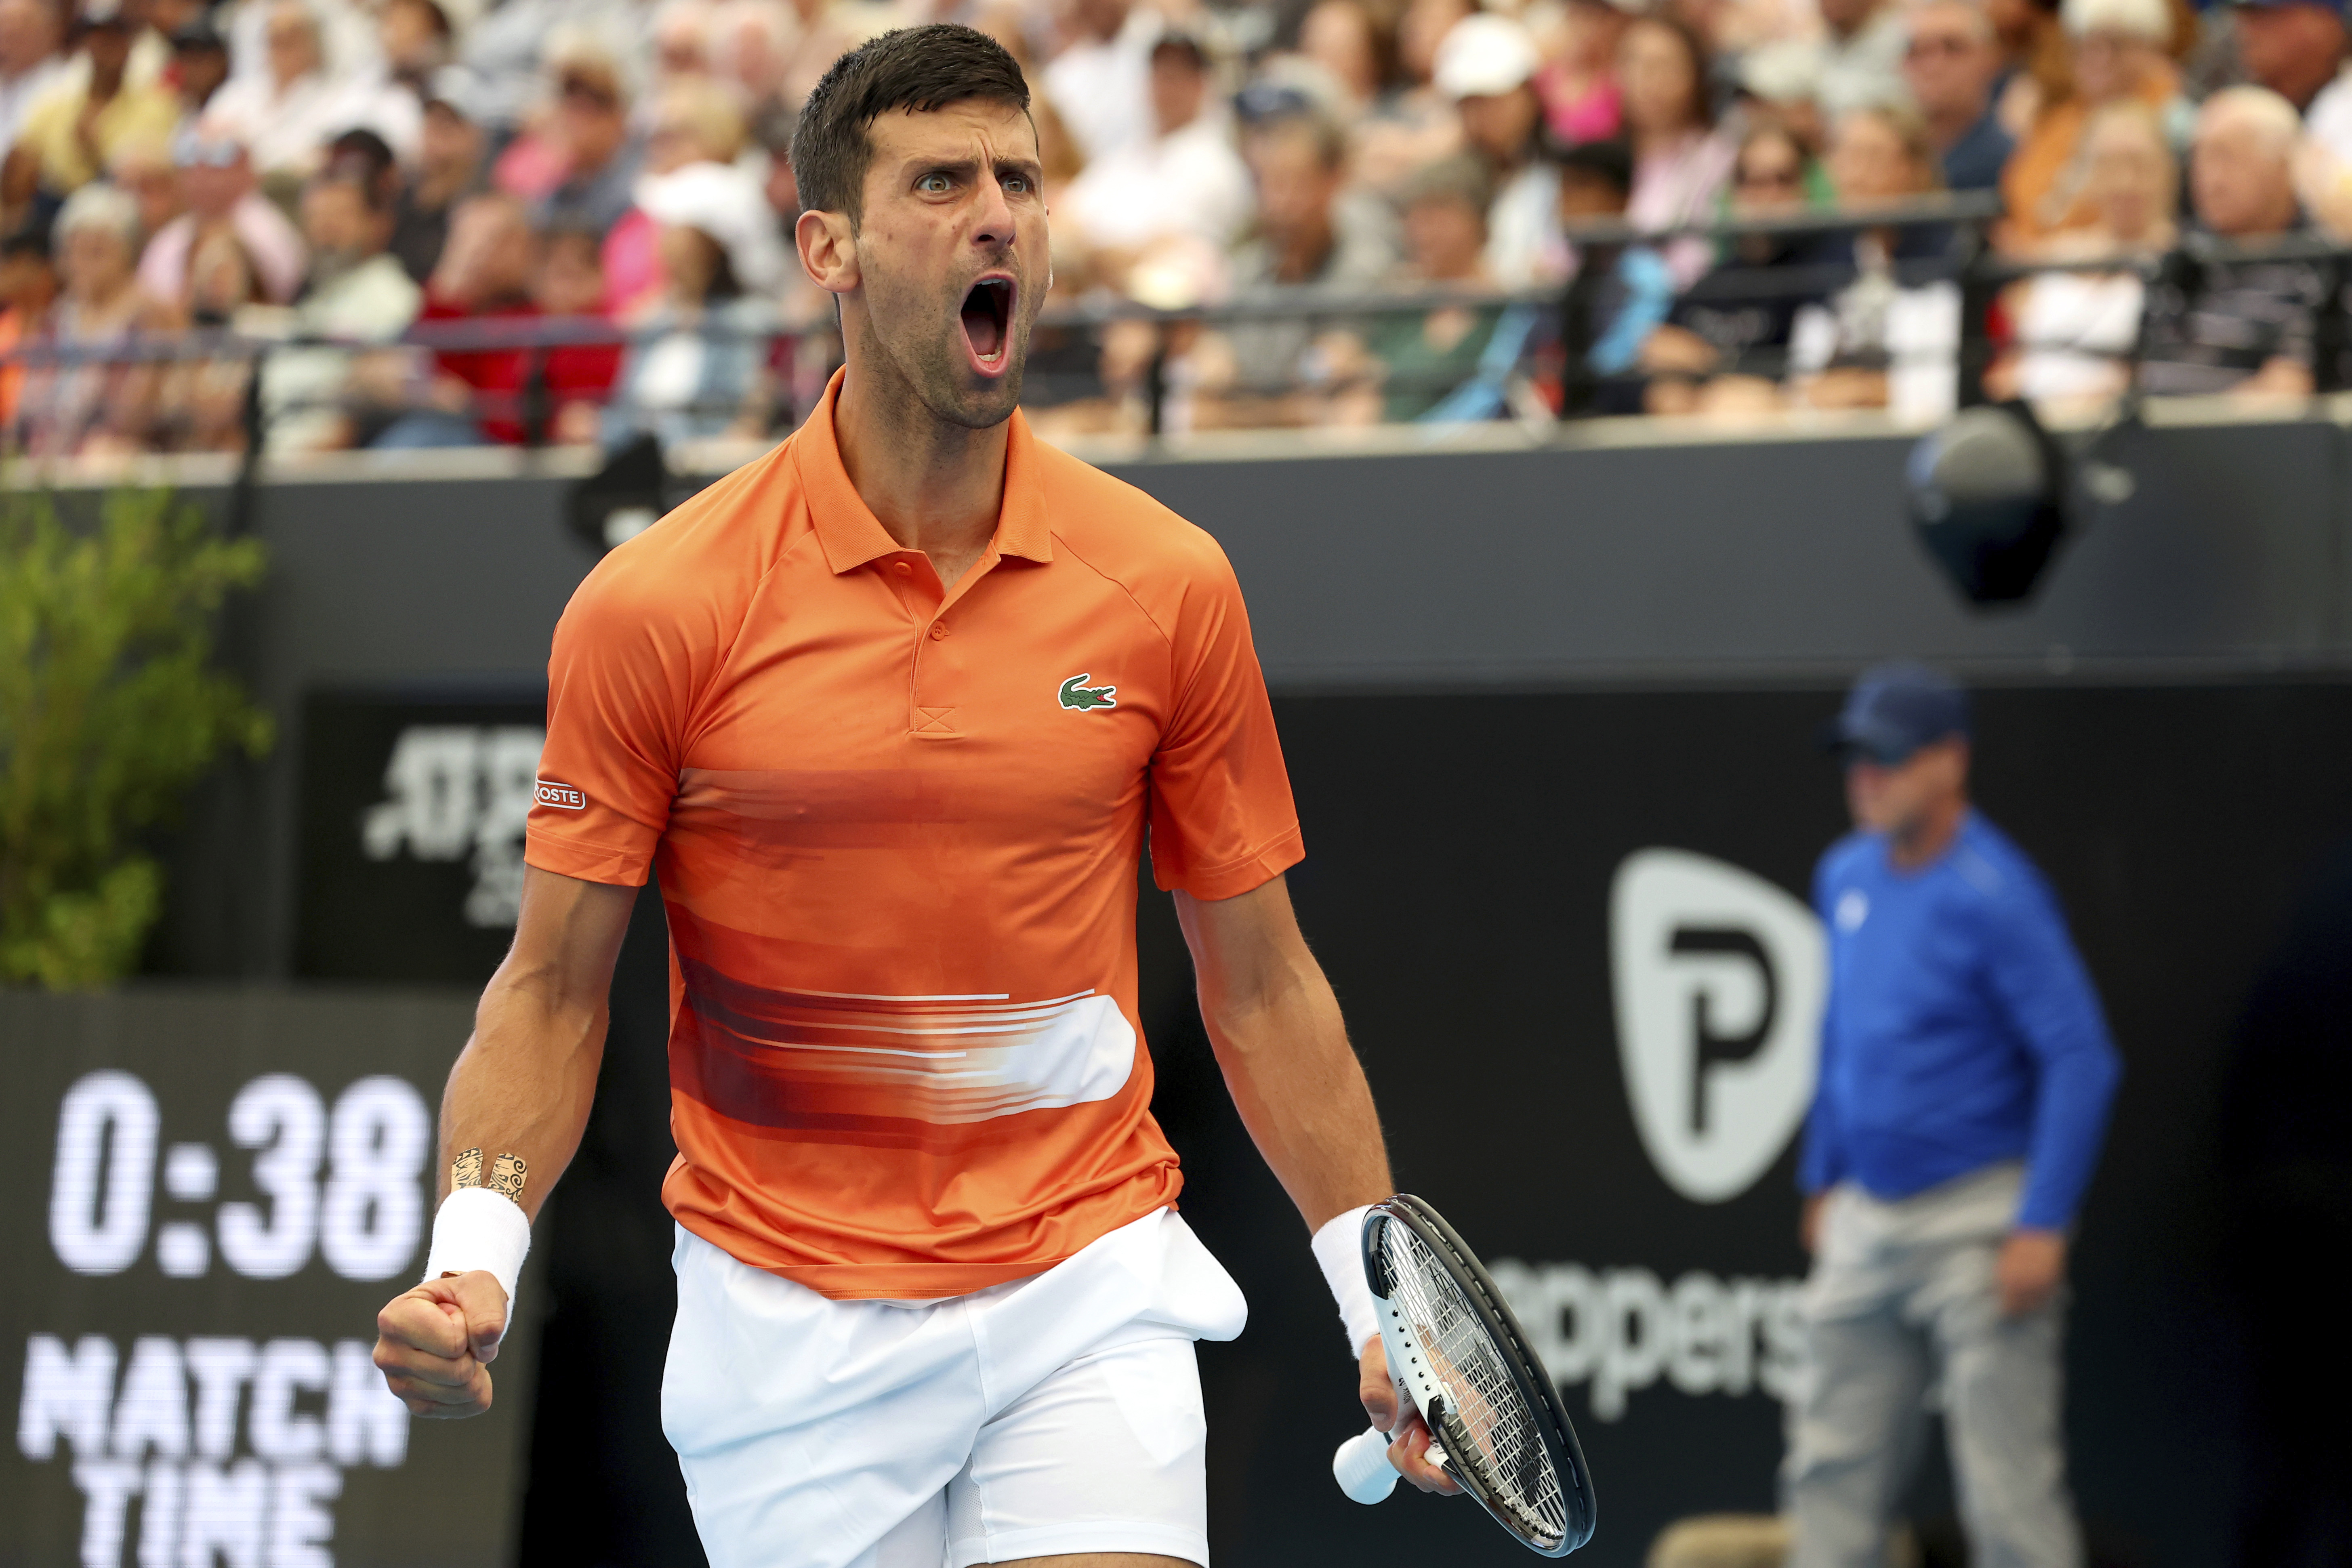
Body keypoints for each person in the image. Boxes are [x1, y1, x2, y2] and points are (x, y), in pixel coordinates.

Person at [368, 24, 1452, 1568]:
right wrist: (473, 1254)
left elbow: (1262, 980)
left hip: (1085, 1277)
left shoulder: (1164, 584)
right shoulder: (657, 603)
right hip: (785, 1320)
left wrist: (1377, 1297)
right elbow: (548, 990)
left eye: (1020, 175)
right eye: (940, 180)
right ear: (830, 246)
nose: (997, 210)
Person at [1787, 662, 2123, 1568]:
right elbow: (1839, 1035)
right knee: (1826, 1467)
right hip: (1865, 1218)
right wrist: (1822, 1175)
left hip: (1980, 1222)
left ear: (1948, 763)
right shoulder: (1843, 873)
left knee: (2006, 1496)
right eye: (1856, 761)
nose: (1866, 780)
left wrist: (2040, 1222)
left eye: (1888, 761)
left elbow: (2082, 1060)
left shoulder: (1996, 895)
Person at [1984, 103, 2175, 408]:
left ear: (2167, 170)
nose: (2125, 182)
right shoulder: (2054, 256)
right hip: (2032, 420)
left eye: (2139, 164)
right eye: (2108, 166)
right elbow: (2013, 360)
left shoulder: (2182, 260)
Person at [2138, 86, 2324, 398]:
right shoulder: (2181, 257)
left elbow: (2289, 386)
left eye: (2225, 156)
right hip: (2148, 434)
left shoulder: (2321, 264)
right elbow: (2134, 373)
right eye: (2199, 158)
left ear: (2283, 165)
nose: (2209, 178)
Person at [1641, 118, 1837, 413]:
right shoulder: (1719, 276)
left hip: (1777, 422)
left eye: (1782, 180)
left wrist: (1709, 367)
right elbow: (1658, 343)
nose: (1768, 196)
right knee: (1669, 394)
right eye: (1754, 181)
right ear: (1734, 192)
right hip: (1705, 417)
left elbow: (1803, 381)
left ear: (1805, 188)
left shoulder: (1822, 270)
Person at [1787, 104, 1963, 420]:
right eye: (1844, 156)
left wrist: (1864, 393)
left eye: (1872, 157)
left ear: (1915, 168)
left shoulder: (1947, 254)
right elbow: (1802, 382)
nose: (1854, 173)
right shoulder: (1831, 256)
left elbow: (1937, 391)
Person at [1058, 31, 1253, 291]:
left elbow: (1172, 250)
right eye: (1158, 74)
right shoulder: (1128, 153)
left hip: (1162, 311)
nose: (1164, 86)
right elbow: (1065, 214)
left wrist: (1089, 255)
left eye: (1175, 77)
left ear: (1202, 84)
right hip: (1094, 299)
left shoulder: (1216, 164)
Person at [2000, 0, 2187, 249]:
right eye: (2084, 45)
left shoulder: (2177, 122)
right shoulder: (2058, 123)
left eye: (2115, 45)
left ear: (2151, 49)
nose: (2098, 58)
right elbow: (2022, 209)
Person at [10, 0, 177, 198]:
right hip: (51, 201)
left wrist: (95, 150)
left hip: (118, 201)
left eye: (113, 39)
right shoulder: (56, 104)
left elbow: (146, 175)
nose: (104, 49)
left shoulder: (157, 105)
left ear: (128, 45)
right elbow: (23, 160)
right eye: (96, 39)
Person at [1434, 11, 1555, 286]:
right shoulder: (1458, 181)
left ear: (1527, 93)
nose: (1480, 118)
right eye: (1468, 105)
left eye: (1492, 101)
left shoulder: (1566, 174)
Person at [1617, 13, 1736, 287]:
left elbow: (1701, 255)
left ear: (1696, 76)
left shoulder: (1719, 158)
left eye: (1664, 66)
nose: (1648, 80)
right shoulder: (1601, 155)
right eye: (1634, 64)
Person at [136, 130, 306, 305]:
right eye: (195, 169)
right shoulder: (171, 238)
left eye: (215, 170)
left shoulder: (268, 228)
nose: (202, 178)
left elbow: (280, 293)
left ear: (247, 171)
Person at [1903, 0, 2014, 190]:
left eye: (1953, 48)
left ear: (1991, 59)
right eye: (1917, 51)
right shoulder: (1895, 158)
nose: (1933, 66)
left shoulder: (2013, 164)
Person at [0, 0, 69, 159]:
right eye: (2, 30)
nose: (4, 45)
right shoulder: (4, 80)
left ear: (50, 32)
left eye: (16, 34)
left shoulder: (66, 87)